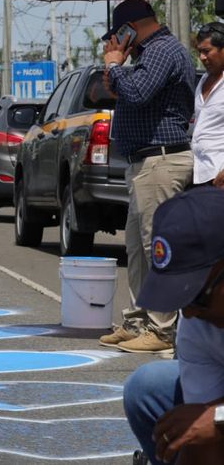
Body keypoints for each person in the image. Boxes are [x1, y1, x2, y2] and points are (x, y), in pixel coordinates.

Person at [99, 0, 195, 354]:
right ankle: (137, 321)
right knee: (137, 248)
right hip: (144, 163)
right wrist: (117, 72)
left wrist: (115, 65)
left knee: (157, 246)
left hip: (161, 160)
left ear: (131, 28)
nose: (117, 43)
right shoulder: (146, 55)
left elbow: (138, 92)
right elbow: (131, 93)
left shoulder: (161, 50)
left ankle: (162, 327)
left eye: (119, 36)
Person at [123, 187, 224, 465]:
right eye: (181, 301)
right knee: (149, 387)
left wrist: (217, 418)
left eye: (196, 297)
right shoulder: (196, 321)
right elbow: (202, 440)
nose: (189, 314)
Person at [191, 22, 224, 189]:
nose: (202, 57)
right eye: (199, 52)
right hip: (200, 173)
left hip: (219, 174)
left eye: (207, 51)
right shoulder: (203, 80)